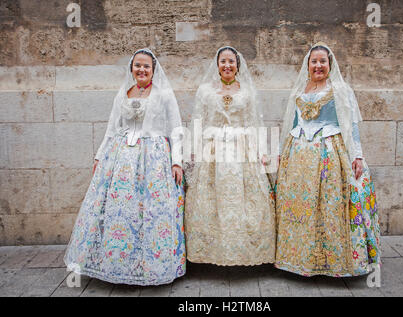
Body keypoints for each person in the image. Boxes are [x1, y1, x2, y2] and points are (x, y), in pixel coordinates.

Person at [64, 48, 186, 285]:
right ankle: (118, 264)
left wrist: (177, 161)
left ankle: (151, 266)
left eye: (146, 66)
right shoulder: (123, 93)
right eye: (137, 65)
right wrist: (100, 157)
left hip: (153, 158)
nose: (142, 70)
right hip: (120, 160)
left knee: (150, 212)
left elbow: (176, 128)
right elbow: (111, 128)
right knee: (120, 211)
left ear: (153, 70)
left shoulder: (164, 94)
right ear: (131, 68)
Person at [275, 42, 381, 277]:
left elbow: (351, 125)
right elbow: (292, 124)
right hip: (299, 157)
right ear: (308, 64)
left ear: (330, 65)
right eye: (314, 61)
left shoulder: (340, 90)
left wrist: (358, 155)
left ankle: (335, 262)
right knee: (302, 206)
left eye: (323, 61)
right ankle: (299, 259)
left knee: (330, 204)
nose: (318, 65)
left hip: (331, 155)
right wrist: (282, 152)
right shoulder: (300, 91)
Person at [184, 46, 276, 266]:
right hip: (212, 150)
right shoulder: (205, 91)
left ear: (238, 65)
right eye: (223, 61)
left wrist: (261, 151)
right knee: (209, 199)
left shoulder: (247, 91)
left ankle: (248, 251)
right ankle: (208, 253)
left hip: (241, 149)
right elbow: (198, 120)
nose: (227, 65)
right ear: (217, 65)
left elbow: (254, 122)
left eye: (231, 62)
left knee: (247, 200)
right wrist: (192, 150)